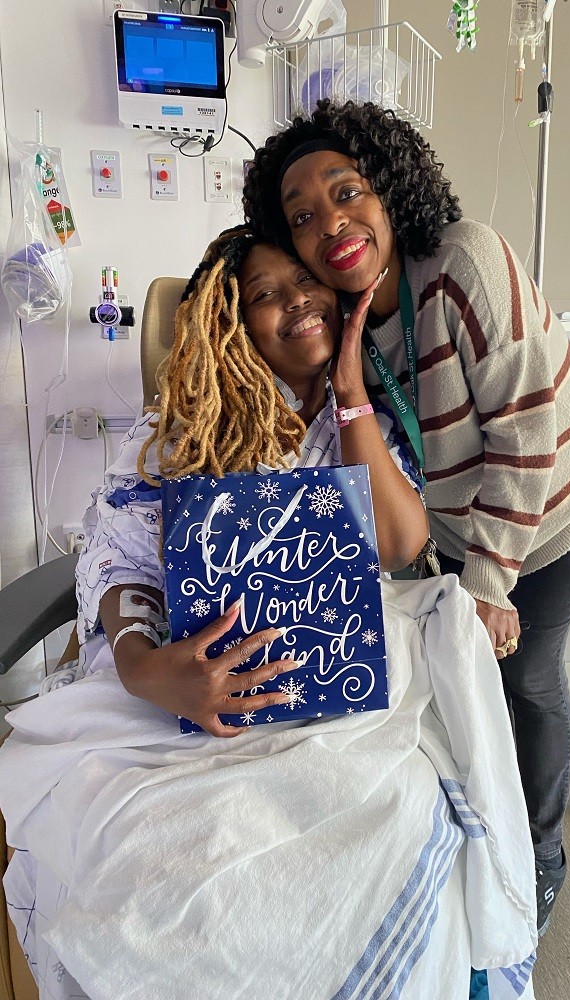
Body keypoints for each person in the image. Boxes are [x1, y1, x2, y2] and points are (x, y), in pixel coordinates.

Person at [0, 229, 538, 1000]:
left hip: (337, 699)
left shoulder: (368, 426)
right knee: (166, 852)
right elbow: (119, 563)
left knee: (404, 810)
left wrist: (351, 394)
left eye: (308, 281)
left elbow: (401, 542)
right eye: (264, 294)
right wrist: (146, 667)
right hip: (189, 697)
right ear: (230, 321)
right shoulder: (183, 432)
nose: (297, 301)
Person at [242, 100, 570, 936]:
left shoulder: (464, 262)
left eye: (347, 193)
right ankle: (480, 835)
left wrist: (489, 587)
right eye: (303, 216)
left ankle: (543, 853)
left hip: (559, 494)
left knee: (524, 674)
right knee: (460, 677)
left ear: (388, 188)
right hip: (462, 518)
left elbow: (527, 425)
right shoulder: (343, 318)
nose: (331, 222)